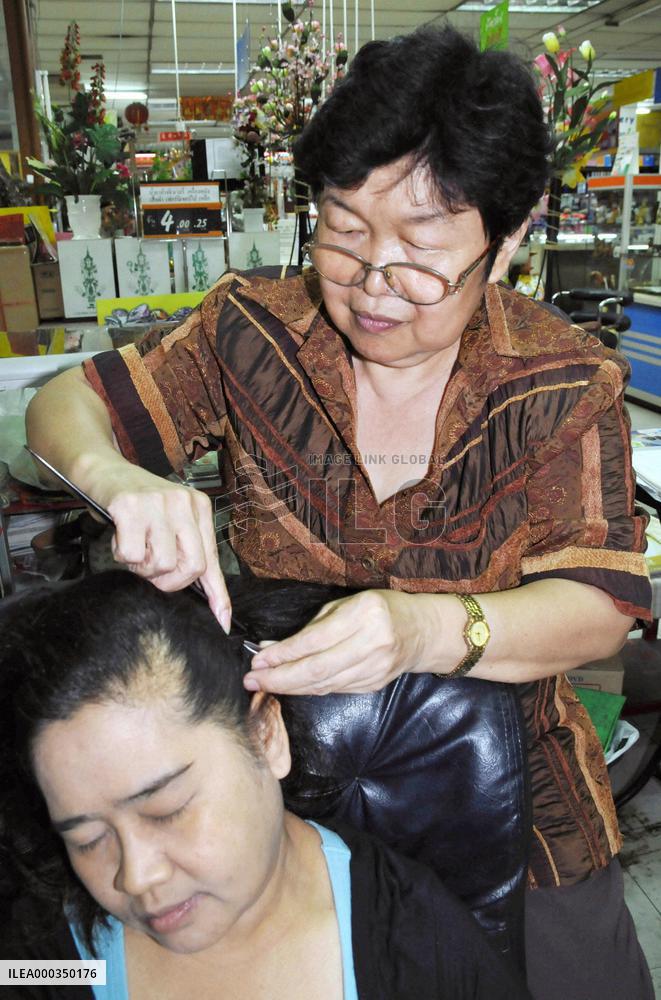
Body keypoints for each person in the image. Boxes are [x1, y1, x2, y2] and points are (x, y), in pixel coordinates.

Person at [25, 23, 653, 1000]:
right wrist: (119, 478)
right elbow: (62, 407)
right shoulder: (250, 333)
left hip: (523, 802)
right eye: (343, 233)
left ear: (510, 232)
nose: (371, 287)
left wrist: (429, 629)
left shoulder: (560, 382)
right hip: (286, 799)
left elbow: (600, 603)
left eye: (421, 254)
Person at [0, 571, 531, 1000]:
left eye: (167, 809)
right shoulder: (58, 964)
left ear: (266, 736)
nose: (136, 878)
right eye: (87, 838)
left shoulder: (412, 947)